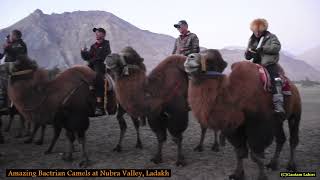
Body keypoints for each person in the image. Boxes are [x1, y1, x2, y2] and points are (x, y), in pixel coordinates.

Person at [244, 18, 285, 116]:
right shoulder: (252, 39)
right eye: (255, 31)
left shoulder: (271, 37)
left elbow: (276, 47)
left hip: (269, 64)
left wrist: (262, 49)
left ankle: (279, 106)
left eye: (259, 31)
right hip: (255, 64)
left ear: (264, 29)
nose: (257, 33)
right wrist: (248, 53)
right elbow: (247, 54)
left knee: (275, 80)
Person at [81, 27, 111, 116]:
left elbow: (102, 56)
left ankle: (99, 107)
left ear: (103, 35)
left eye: (99, 33)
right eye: (96, 33)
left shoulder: (106, 44)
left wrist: (91, 59)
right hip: (91, 65)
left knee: (98, 79)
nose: (96, 34)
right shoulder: (93, 46)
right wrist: (83, 52)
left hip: (100, 66)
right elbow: (87, 57)